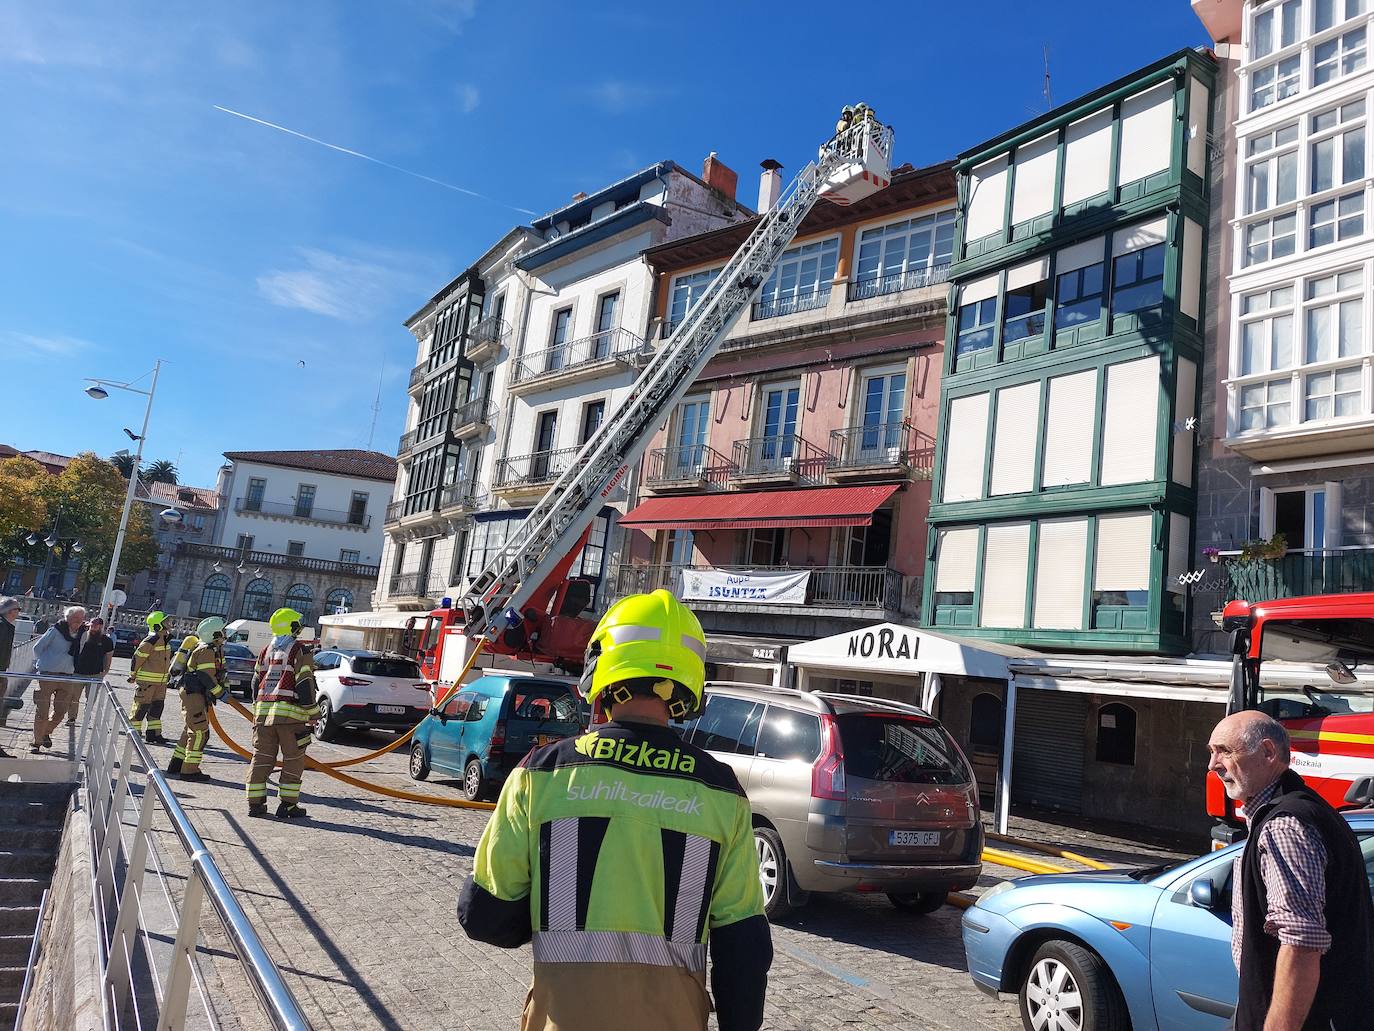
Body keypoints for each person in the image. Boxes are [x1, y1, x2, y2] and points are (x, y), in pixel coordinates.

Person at [457, 590, 772, 1031]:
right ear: (688, 683)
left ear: (602, 669)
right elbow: (744, 948)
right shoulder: (722, 793)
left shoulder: (541, 773)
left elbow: (484, 916)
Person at [1208, 711, 1374, 1030]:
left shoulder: (1285, 825)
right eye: (1211, 752)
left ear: (1268, 753)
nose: (1213, 765)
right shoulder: (1306, 810)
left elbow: (1301, 941)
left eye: (1225, 751)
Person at [245, 607, 318, 819]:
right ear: (292, 626)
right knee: (293, 760)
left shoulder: (265, 650)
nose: (300, 626)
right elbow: (305, 683)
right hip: (291, 718)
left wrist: (256, 709)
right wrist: (313, 712)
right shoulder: (299, 650)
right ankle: (287, 806)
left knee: (261, 759)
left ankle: (255, 804)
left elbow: (255, 682)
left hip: (263, 717)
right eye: (297, 623)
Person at [167, 616, 228, 781]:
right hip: (193, 694)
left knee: (190, 730)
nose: (225, 633)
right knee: (200, 733)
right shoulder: (206, 650)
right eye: (223, 630)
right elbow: (205, 675)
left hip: (195, 695)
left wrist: (224, 686)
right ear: (214, 633)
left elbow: (217, 672)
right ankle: (189, 770)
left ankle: (176, 764)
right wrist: (219, 692)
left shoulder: (212, 649)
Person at [30, 605, 86, 753]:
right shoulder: (56, 630)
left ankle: (45, 733)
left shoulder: (82, 633)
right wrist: (42, 663)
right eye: (75, 619)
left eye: (81, 619)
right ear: (67, 618)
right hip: (47, 674)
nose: (78, 622)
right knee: (42, 711)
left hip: (67, 676)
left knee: (61, 712)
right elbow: (37, 648)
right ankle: (36, 743)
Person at [129, 611, 173, 744]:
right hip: (146, 683)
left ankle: (153, 734)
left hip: (160, 684)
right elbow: (137, 659)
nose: (169, 625)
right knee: (141, 708)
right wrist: (132, 675)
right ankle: (134, 733)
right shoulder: (150, 641)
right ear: (157, 625)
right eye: (166, 622)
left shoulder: (165, 640)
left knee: (157, 708)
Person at [71, 615, 115, 727]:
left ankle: (86, 718)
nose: (93, 627)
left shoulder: (107, 641)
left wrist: (106, 671)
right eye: (92, 624)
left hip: (96, 674)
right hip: (78, 672)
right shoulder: (82, 635)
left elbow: (108, 657)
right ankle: (72, 718)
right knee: (73, 698)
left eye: (96, 625)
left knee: (90, 700)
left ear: (101, 626)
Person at [0, 596, 19, 758]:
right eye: (17, 609)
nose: (19, 612)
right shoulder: (2, 626)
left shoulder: (6, 626)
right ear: (10, 611)